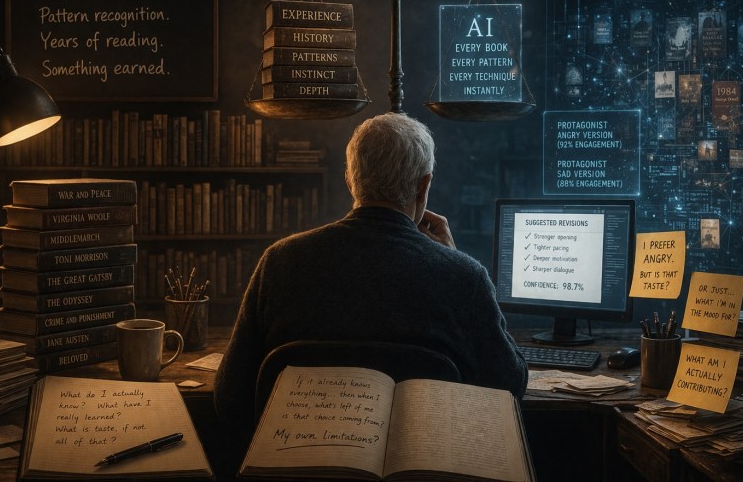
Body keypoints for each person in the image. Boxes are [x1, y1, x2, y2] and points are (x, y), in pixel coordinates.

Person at [214, 111, 528, 439]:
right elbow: (509, 385)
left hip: (294, 461)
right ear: (424, 185)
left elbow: (230, 399)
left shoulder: (278, 262)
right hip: (422, 461)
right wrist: (452, 261)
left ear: (350, 180)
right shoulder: (464, 278)